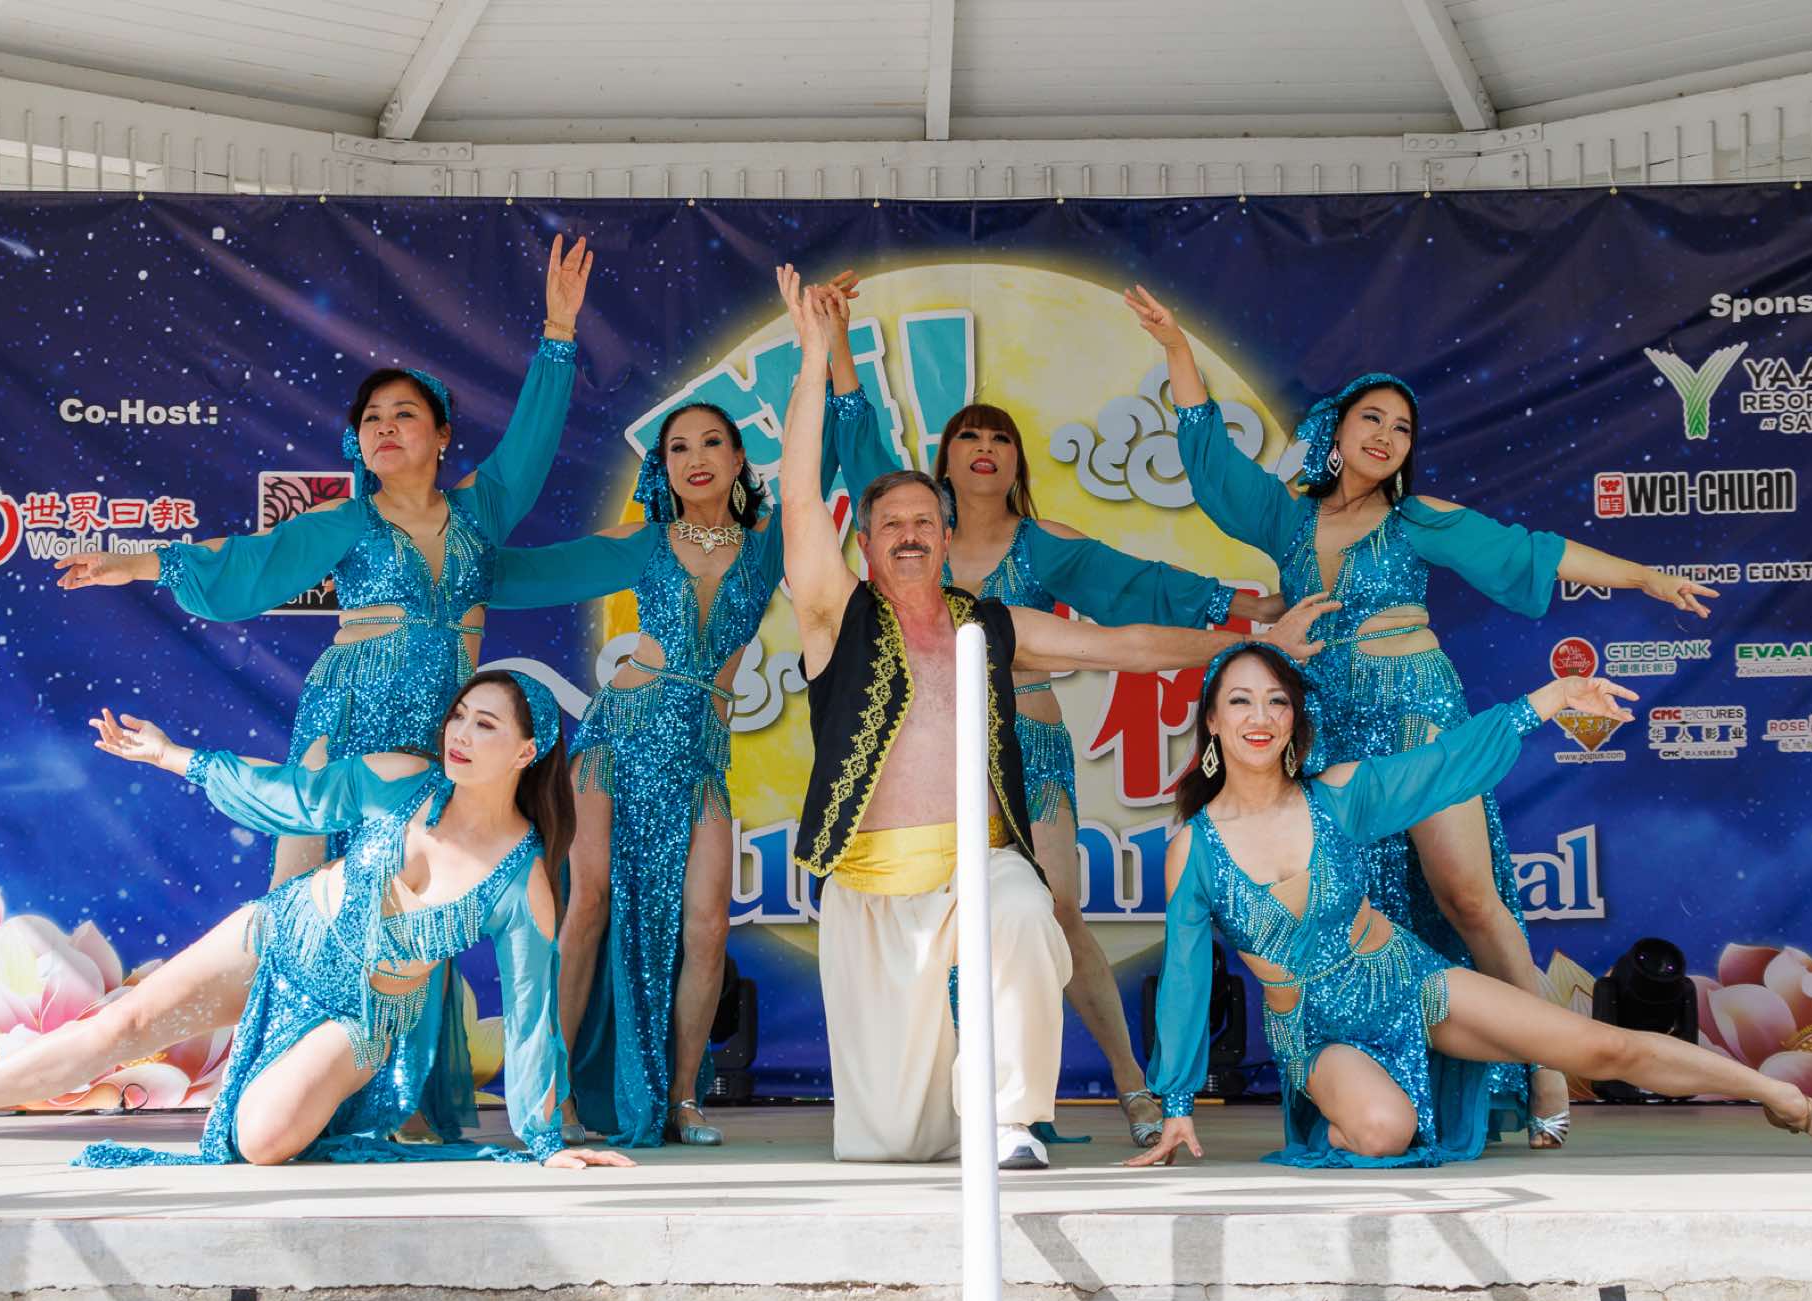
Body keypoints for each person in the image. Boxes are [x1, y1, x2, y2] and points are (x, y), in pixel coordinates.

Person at [1127, 285, 1720, 1147]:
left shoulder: (1415, 521)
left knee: (1468, 894)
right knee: (1367, 914)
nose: (1386, 436)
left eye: (1402, 428)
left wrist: (1644, 576)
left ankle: (1546, 1063)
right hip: (1330, 728)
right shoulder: (1287, 519)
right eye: (1371, 418)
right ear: (1335, 431)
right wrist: (1178, 351)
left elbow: (1530, 552)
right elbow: (1212, 460)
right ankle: (1375, 1098)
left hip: (1417, 715)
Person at [774, 266, 1328, 1169]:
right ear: (863, 544)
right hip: (871, 884)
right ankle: (947, 1115)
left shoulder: (992, 621)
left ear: (945, 539)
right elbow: (800, 498)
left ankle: (1013, 1117)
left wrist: (1257, 644)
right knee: (894, 1142)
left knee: (1032, 907)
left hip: (980, 861)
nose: (910, 533)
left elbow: (1129, 643)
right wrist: (814, 354)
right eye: (892, 523)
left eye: (924, 523)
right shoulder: (836, 616)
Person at [1134, 642, 1812, 1169]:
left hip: (1407, 981)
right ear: (1212, 721)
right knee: (1384, 1131)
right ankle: (1349, 1111)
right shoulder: (1194, 847)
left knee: (1600, 1048)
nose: (1261, 715)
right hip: (1319, 1030)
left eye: (1277, 700)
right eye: (1240, 700)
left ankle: (1788, 1100)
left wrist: (1550, 700)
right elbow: (1186, 981)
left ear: (1295, 719)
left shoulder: (1338, 795)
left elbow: (1445, 762)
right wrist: (1176, 1105)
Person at [0, 671, 634, 1174]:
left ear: (526, 751)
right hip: (284, 934)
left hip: (360, 1013)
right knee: (122, 1026)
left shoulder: (522, 883)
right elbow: (290, 795)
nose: (461, 733)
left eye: (486, 724)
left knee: (261, 1143)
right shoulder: (400, 778)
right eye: (460, 715)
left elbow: (532, 1017)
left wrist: (545, 1141)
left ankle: (294, 1091)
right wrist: (172, 756)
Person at [54, 236, 595, 889]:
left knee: (407, 889)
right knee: (303, 881)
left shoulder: (480, 512)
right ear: (358, 442)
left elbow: (530, 445)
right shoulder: (348, 519)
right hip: (347, 707)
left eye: (404, 414)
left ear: (443, 434)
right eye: (372, 419)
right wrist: (142, 564)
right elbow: (252, 559)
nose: (385, 427)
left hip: (438, 721)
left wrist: (558, 332)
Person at [484, 404, 782, 1149]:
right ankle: (552, 1094)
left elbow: (824, 460)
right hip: (618, 739)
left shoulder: (769, 547)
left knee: (707, 926)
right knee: (586, 903)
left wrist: (829, 362)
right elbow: (531, 573)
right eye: (678, 448)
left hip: (701, 758)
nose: (696, 458)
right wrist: (442, 555)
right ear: (663, 468)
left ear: (739, 457)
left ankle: (684, 1098)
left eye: (711, 443)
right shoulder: (645, 541)